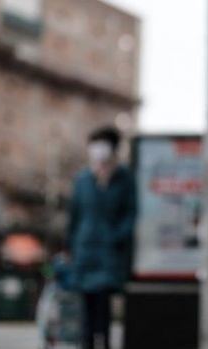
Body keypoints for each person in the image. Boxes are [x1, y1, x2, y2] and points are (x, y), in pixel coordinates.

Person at [67, 126, 137, 349]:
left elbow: (130, 213)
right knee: (86, 309)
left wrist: (117, 237)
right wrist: (71, 247)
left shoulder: (124, 178)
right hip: (84, 250)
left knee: (103, 307)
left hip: (109, 252)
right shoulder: (83, 178)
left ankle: (104, 344)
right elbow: (74, 216)